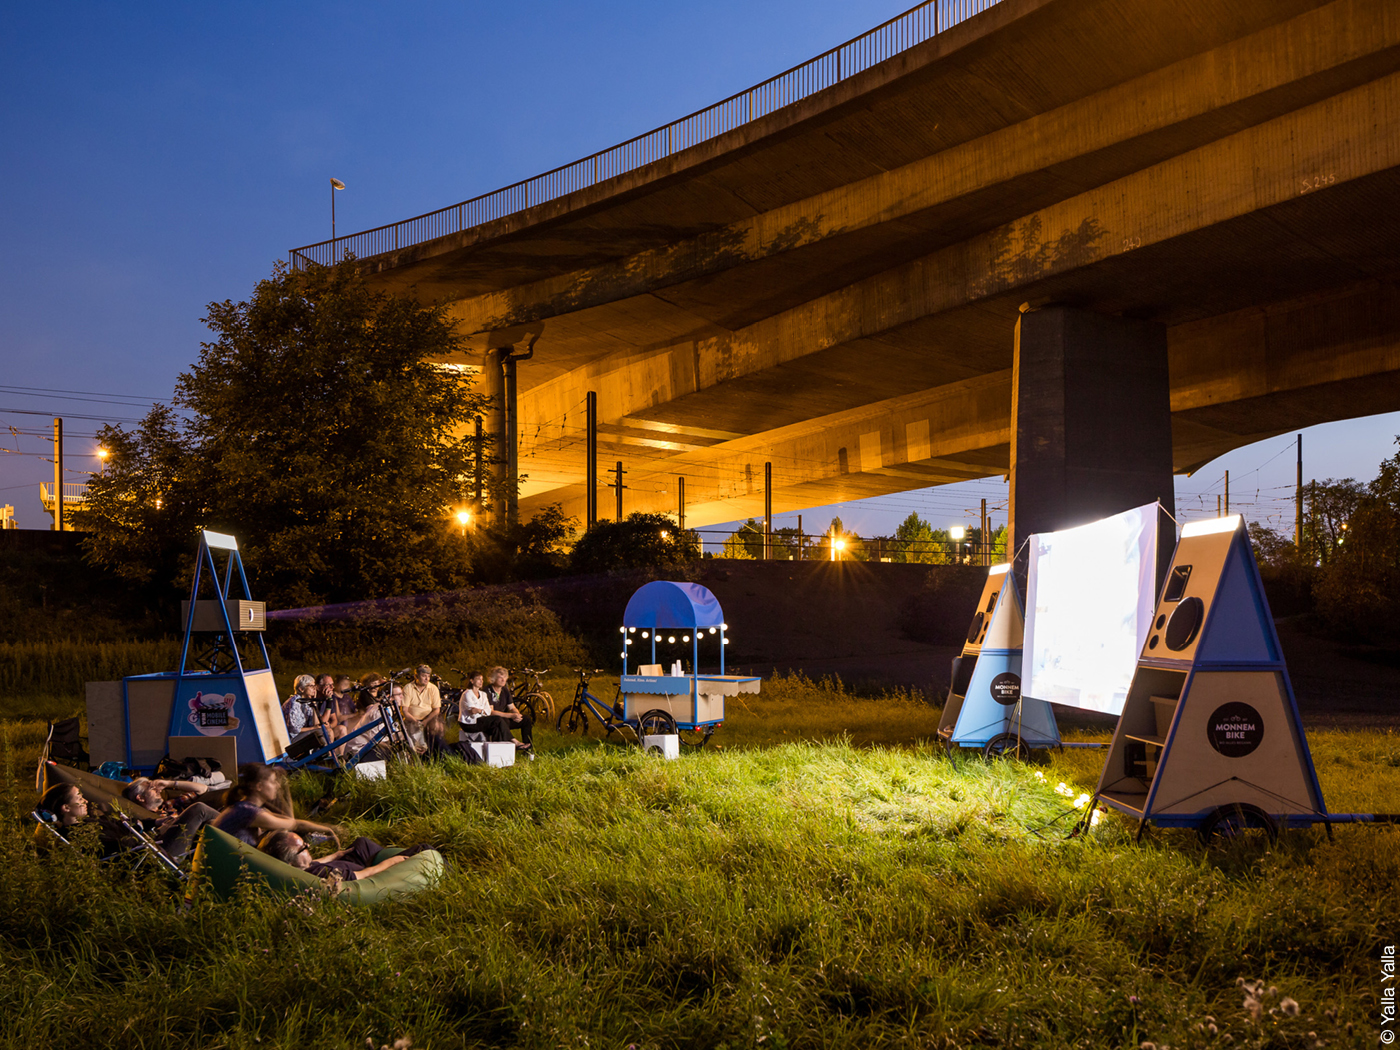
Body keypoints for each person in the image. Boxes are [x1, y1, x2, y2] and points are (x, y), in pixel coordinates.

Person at [213, 764, 339, 849]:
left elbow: (292, 823)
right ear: (259, 786)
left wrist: (328, 829)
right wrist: (285, 789)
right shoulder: (249, 812)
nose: (277, 786)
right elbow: (292, 823)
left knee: (281, 835)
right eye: (273, 782)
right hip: (225, 869)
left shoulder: (248, 808)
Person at [258, 829, 429, 882]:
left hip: (349, 864)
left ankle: (381, 854)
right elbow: (365, 875)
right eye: (303, 848)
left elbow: (310, 863)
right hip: (367, 871)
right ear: (289, 863)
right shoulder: (321, 875)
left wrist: (335, 855)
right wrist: (392, 861)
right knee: (424, 848)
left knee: (361, 843)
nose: (309, 846)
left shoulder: (301, 868)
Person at [119, 776, 220, 860]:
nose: (158, 790)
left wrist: (169, 784)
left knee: (211, 823)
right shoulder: (144, 817)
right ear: (140, 798)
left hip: (195, 844)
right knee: (199, 808)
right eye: (152, 789)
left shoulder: (168, 805)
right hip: (167, 854)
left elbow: (202, 789)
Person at [481, 666, 533, 751]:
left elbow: (511, 707)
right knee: (500, 720)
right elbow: (491, 712)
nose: (503, 680)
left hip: (506, 718)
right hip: (493, 721)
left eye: (505, 677)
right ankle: (513, 745)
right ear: (493, 679)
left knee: (526, 719)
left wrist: (516, 714)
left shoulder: (505, 690)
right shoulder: (487, 690)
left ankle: (528, 749)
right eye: (500, 678)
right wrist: (510, 715)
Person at [399, 664, 444, 754]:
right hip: (412, 719)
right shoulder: (408, 688)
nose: (427, 679)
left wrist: (425, 721)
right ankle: (415, 752)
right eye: (424, 676)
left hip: (428, 718)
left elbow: (436, 710)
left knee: (436, 725)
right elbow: (404, 710)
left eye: (428, 676)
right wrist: (415, 721)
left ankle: (435, 751)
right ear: (416, 676)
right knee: (413, 731)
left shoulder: (433, 688)